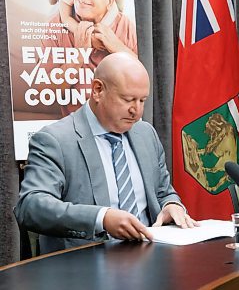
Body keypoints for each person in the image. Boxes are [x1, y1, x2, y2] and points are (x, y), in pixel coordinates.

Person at [15, 52, 198, 254]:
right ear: (98, 90)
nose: (136, 111)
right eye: (128, 99)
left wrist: (172, 205)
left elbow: (163, 191)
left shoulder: (146, 134)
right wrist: (102, 218)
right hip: (84, 270)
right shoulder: (55, 140)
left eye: (142, 100)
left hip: (152, 260)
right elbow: (30, 207)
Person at [42, 0, 138, 116]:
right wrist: (78, 55)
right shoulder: (56, 25)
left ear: (109, 2)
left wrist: (117, 47)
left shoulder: (126, 26)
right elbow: (44, 93)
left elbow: (142, 84)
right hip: (73, 128)